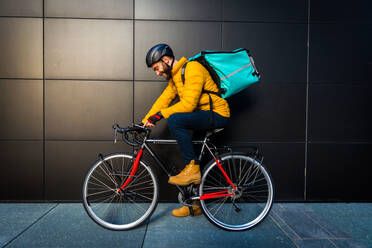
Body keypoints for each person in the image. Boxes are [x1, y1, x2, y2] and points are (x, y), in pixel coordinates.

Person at [141, 44, 230, 217]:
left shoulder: (193, 68)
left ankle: (193, 171)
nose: (157, 73)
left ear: (166, 60)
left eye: (157, 68)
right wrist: (145, 121)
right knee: (192, 161)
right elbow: (163, 100)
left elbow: (188, 105)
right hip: (203, 116)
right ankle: (193, 205)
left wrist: (159, 116)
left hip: (217, 113)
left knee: (175, 120)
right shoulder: (176, 78)